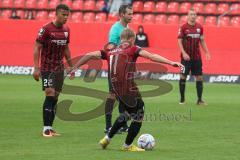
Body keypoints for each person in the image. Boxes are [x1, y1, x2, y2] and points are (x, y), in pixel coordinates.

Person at [69, 28, 183, 151]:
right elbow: (151, 56)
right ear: (131, 39)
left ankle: (107, 138)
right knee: (139, 114)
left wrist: (75, 67)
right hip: (128, 87)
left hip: (115, 89)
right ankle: (127, 145)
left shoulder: (110, 51)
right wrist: (171, 63)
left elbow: (89, 55)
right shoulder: (133, 48)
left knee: (128, 114)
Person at [33, 4, 73, 137]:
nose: (66, 17)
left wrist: (71, 66)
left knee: (56, 97)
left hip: (59, 68)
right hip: (47, 67)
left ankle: (50, 127)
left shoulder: (67, 30)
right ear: (56, 14)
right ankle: (45, 128)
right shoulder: (45, 30)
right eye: (63, 14)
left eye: (67, 15)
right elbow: (37, 48)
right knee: (50, 93)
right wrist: (36, 68)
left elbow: (66, 49)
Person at [105, 4, 133, 133]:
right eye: (129, 14)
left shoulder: (127, 28)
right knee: (112, 95)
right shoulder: (115, 29)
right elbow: (110, 46)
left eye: (132, 14)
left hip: (124, 67)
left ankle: (122, 125)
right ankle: (108, 126)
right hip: (115, 66)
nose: (131, 16)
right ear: (122, 14)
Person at [178, 8, 211, 105]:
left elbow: (202, 40)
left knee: (199, 77)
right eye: (191, 14)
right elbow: (179, 41)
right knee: (183, 76)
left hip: (197, 58)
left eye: (194, 14)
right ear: (188, 16)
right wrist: (183, 53)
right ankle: (182, 99)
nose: (193, 16)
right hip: (186, 58)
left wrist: (207, 52)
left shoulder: (200, 27)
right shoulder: (183, 27)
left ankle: (199, 100)